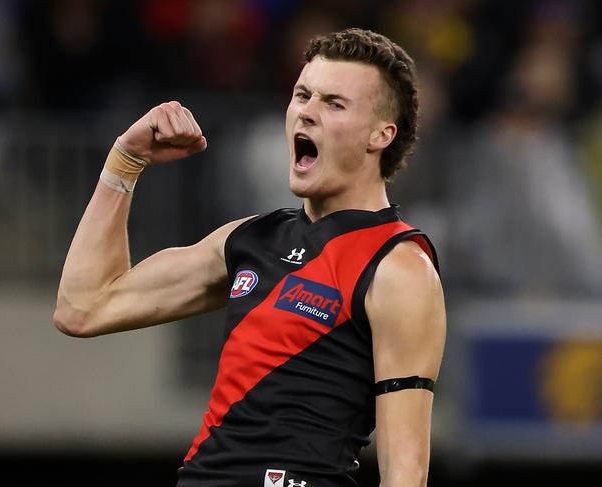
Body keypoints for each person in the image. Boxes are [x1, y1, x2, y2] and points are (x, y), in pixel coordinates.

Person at [54, 28, 446, 487]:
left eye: (333, 104)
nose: (307, 112)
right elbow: (82, 307)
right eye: (302, 95)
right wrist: (125, 161)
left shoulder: (398, 266)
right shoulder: (250, 239)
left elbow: (405, 470)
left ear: (381, 134)